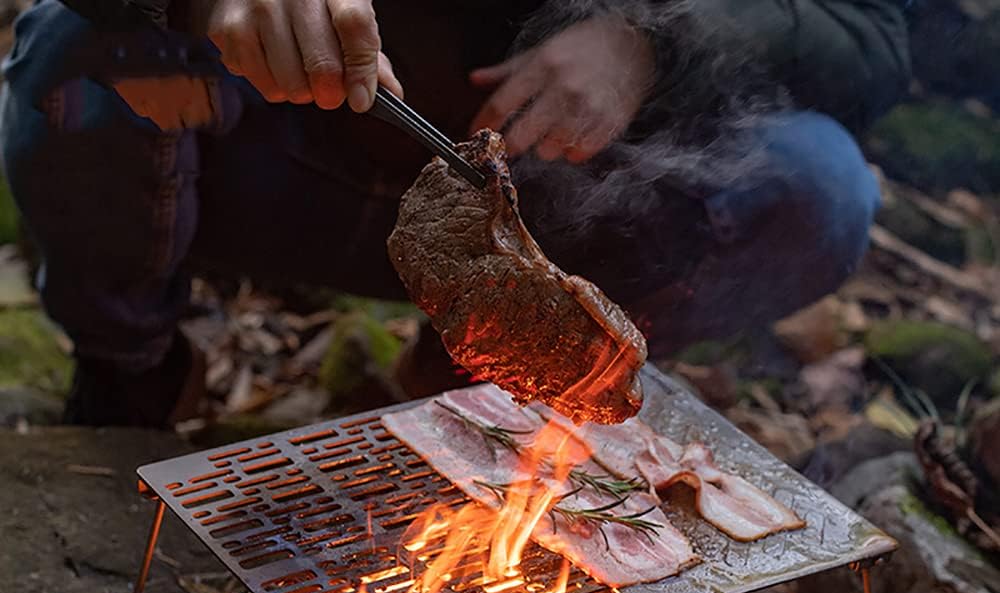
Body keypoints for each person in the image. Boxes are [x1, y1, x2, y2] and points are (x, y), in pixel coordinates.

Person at [0, 0, 910, 427]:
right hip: (260, 149)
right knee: (78, 53)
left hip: (551, 213)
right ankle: (132, 371)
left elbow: (870, 36)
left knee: (819, 188)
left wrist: (654, 38)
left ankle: (468, 398)